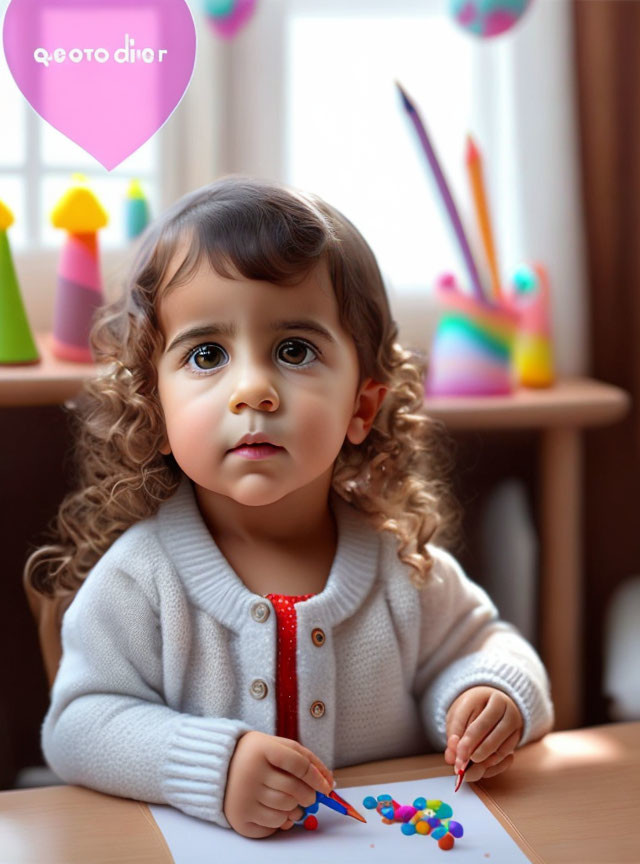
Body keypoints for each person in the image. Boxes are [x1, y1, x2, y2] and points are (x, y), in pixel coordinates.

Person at [26, 175, 554, 839]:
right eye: (208, 353)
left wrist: (490, 694)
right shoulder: (142, 579)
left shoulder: (403, 567)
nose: (253, 390)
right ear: (153, 407)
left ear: (361, 406)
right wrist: (213, 768)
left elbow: (489, 647)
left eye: (294, 350)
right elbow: (78, 726)